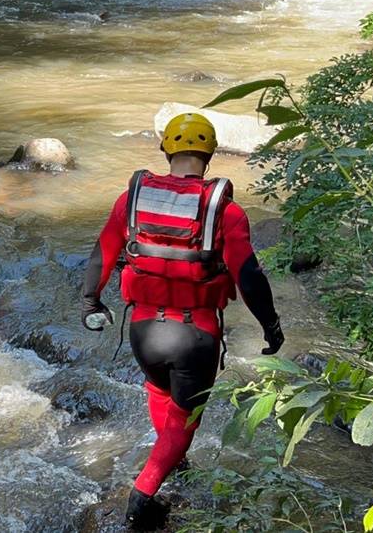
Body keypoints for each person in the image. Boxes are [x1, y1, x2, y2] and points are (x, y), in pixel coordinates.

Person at [79, 112, 285, 530]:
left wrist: (90, 301)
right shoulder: (225, 213)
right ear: (209, 154)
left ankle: (177, 459)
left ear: (166, 150)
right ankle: (142, 495)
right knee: (186, 418)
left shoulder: (130, 201)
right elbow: (248, 275)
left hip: (142, 332)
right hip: (195, 335)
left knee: (160, 392)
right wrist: (271, 327)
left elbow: (102, 253)